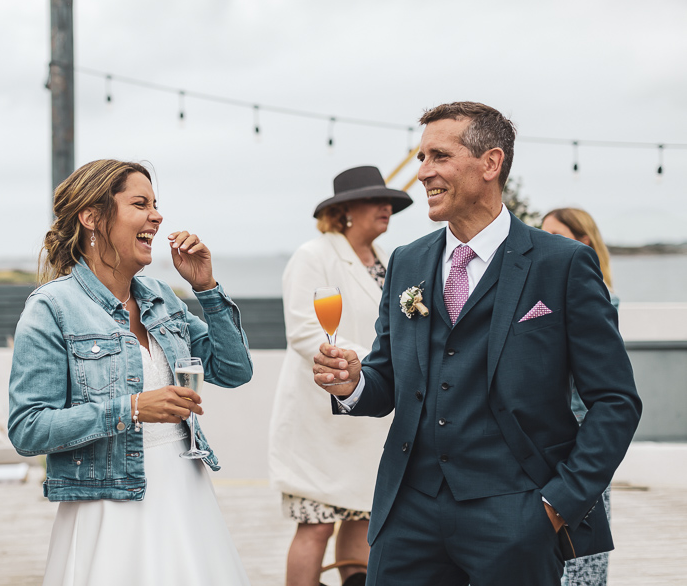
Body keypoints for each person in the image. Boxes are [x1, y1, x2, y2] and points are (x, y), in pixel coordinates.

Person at [312, 102, 641, 585]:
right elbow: (385, 379)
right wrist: (352, 382)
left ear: (491, 164)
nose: (422, 173)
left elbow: (615, 401)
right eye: (422, 157)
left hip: (517, 514)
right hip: (409, 514)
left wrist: (557, 505)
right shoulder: (407, 262)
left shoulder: (562, 264)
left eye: (438, 156)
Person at [7, 159, 254, 585]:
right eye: (140, 204)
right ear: (92, 217)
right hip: (110, 507)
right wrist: (133, 408)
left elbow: (234, 370)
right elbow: (28, 429)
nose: (157, 216)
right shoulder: (51, 308)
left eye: (156, 204)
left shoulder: (162, 297)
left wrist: (206, 288)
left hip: (186, 495)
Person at [269, 166, 413, 586]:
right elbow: (304, 331)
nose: (386, 206)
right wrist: (380, 362)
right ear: (345, 210)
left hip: (369, 420)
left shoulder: (391, 260)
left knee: (364, 519)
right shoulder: (314, 256)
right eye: (375, 199)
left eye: (389, 200)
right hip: (319, 418)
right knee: (316, 525)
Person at [542, 207, 618, 586]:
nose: (546, 243)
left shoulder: (591, 293)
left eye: (555, 235)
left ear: (583, 241)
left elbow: (610, 390)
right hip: (549, 443)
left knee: (583, 557)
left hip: (579, 441)